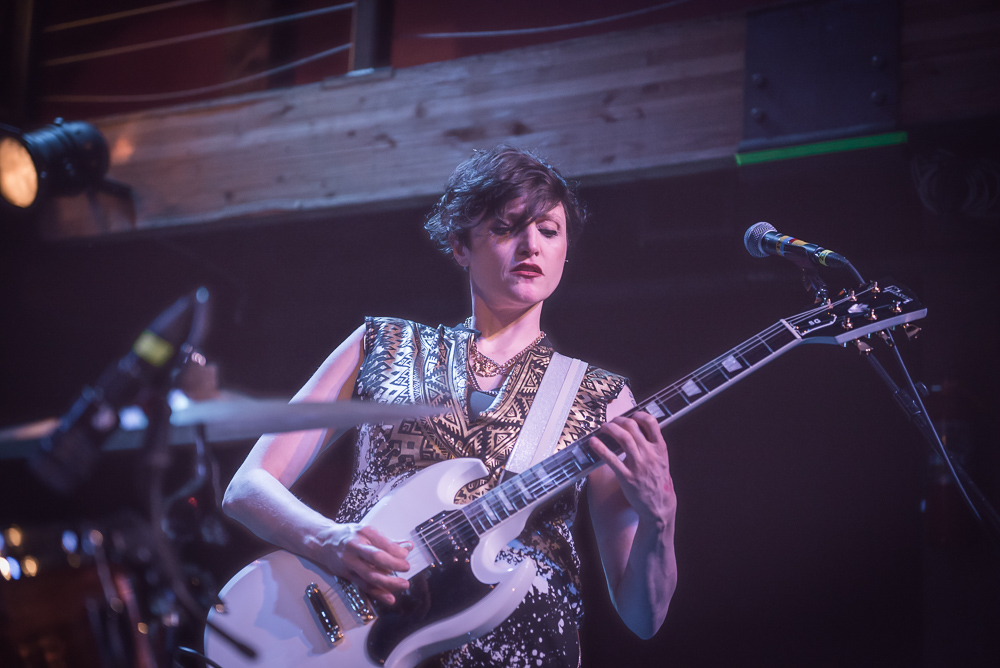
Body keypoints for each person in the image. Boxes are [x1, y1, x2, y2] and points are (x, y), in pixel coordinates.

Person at [222, 145, 678, 667]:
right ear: (461, 244)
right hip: (363, 640)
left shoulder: (600, 397)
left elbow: (644, 617)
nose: (531, 244)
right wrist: (329, 541)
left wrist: (660, 518)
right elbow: (247, 486)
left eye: (549, 231)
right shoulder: (383, 345)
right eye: (508, 227)